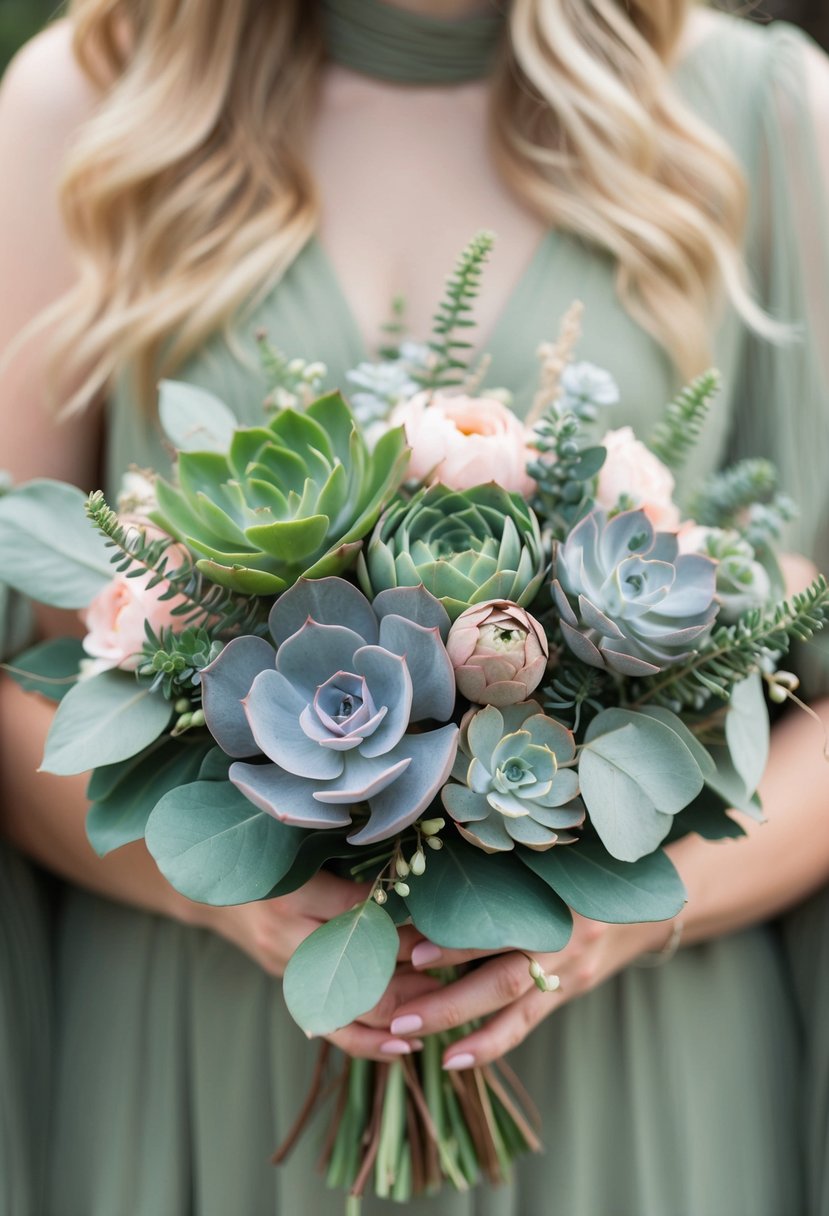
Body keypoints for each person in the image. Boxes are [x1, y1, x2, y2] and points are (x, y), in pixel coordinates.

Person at [1, 1, 828, 1213]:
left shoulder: (765, 113)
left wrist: (606, 917)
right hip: (207, 1045)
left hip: (636, 1062)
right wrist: (230, 890)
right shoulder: (87, 101)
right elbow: (21, 678)